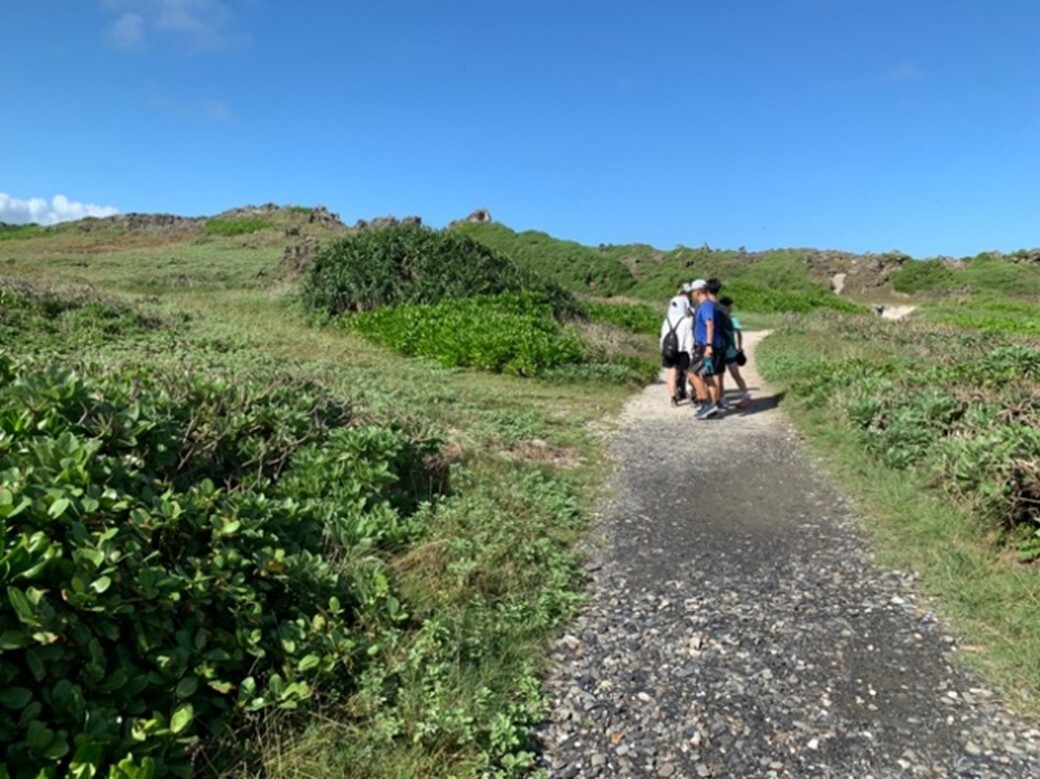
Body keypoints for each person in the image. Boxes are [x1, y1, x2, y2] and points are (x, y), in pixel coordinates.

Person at [689, 279, 726, 419]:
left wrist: (708, 346)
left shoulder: (705, 306)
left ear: (698, 291)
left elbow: (709, 324)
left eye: (693, 291)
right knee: (707, 376)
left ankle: (706, 403)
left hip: (705, 345)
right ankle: (713, 407)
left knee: (692, 374)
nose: (692, 294)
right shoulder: (708, 305)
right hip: (708, 345)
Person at [660, 290, 693, 405]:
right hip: (682, 350)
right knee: (689, 372)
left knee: (671, 373)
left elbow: (663, 336)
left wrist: (663, 350)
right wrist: (690, 352)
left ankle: (673, 398)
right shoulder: (686, 320)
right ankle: (694, 394)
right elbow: (689, 338)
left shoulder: (666, 320)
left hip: (669, 350)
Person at [718, 296, 751, 408]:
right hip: (729, 350)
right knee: (733, 374)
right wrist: (740, 347)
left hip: (728, 350)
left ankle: (724, 398)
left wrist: (740, 347)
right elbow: (739, 333)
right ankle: (743, 394)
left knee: (725, 375)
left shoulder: (728, 318)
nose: (730, 308)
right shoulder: (730, 318)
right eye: (729, 306)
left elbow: (738, 333)